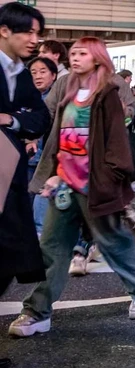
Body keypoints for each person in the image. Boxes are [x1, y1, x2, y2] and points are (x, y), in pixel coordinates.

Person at [8, 38, 135, 338]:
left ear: (97, 58)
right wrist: (52, 170)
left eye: (82, 53)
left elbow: (117, 140)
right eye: (73, 53)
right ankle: (38, 311)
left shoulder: (109, 89)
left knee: (112, 241)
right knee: (51, 246)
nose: (75, 58)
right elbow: (53, 125)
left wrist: (112, 179)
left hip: (97, 183)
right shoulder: (65, 85)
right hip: (65, 181)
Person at [0, 3, 49, 368]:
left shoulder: (21, 73)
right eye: (28, 33)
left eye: (37, 33)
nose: (35, 41)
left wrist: (11, 120)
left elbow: (39, 119)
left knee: (7, 260)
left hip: (10, 178)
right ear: (4, 31)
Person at [27, 55, 58, 234]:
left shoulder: (58, 100)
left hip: (48, 163)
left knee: (41, 211)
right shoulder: (25, 98)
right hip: (28, 161)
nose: (37, 76)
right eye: (33, 72)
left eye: (42, 72)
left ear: (53, 75)